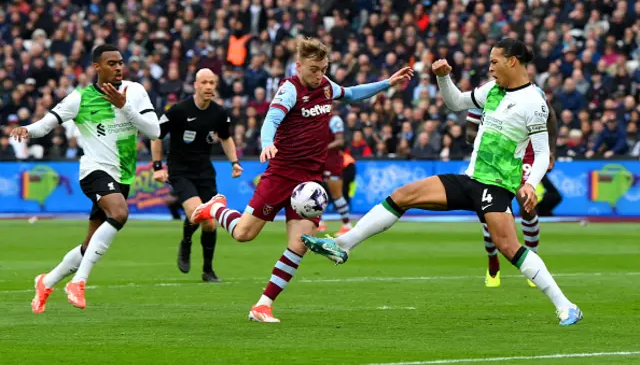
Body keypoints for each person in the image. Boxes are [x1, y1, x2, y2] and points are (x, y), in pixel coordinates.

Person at [302, 38, 582, 326]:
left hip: (496, 186)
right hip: (470, 179)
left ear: (512, 61)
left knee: (509, 247)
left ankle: (566, 306)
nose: (490, 67)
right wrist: (443, 77)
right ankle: (343, 245)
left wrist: (530, 183)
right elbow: (456, 102)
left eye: (494, 61)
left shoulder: (534, 102)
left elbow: (543, 150)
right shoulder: (493, 90)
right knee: (403, 194)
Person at [191, 37, 413, 322]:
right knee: (244, 234)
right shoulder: (289, 89)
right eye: (313, 69)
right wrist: (267, 143)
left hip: (309, 184)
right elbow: (270, 120)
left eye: (323, 68)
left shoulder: (325, 86)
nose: (319, 74)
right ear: (299, 66)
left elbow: (353, 94)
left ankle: (263, 305)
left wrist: (387, 83)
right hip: (281, 174)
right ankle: (216, 207)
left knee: (299, 245)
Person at [11, 44, 160, 312]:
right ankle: (78, 282)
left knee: (90, 245)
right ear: (97, 67)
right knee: (120, 213)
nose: (117, 67)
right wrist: (26, 130)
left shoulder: (135, 91)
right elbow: (46, 124)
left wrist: (125, 107)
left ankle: (47, 281)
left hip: (123, 175)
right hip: (94, 170)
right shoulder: (79, 98)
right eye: (111, 63)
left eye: (120, 63)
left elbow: (154, 131)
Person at [151, 68, 243, 282]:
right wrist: (157, 166)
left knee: (210, 223)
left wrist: (235, 162)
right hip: (180, 171)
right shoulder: (179, 110)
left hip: (205, 172)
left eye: (212, 83)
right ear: (196, 85)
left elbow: (226, 138)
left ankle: (208, 271)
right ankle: (186, 242)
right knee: (196, 213)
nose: (209, 87)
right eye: (205, 82)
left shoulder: (219, 113)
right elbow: (156, 135)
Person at [466, 83, 558, 288]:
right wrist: (492, 137)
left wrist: (551, 149)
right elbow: (469, 132)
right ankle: (493, 262)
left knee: (527, 202)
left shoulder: (534, 93)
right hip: (494, 157)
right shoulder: (484, 93)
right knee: (491, 211)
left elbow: (551, 117)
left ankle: (532, 262)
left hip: (525, 152)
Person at [318, 106, 352, 235]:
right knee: (315, 191)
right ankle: (319, 222)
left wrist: (322, 148)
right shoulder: (317, 119)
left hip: (332, 161)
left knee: (336, 193)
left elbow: (339, 140)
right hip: (318, 160)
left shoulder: (335, 119)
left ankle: (347, 224)